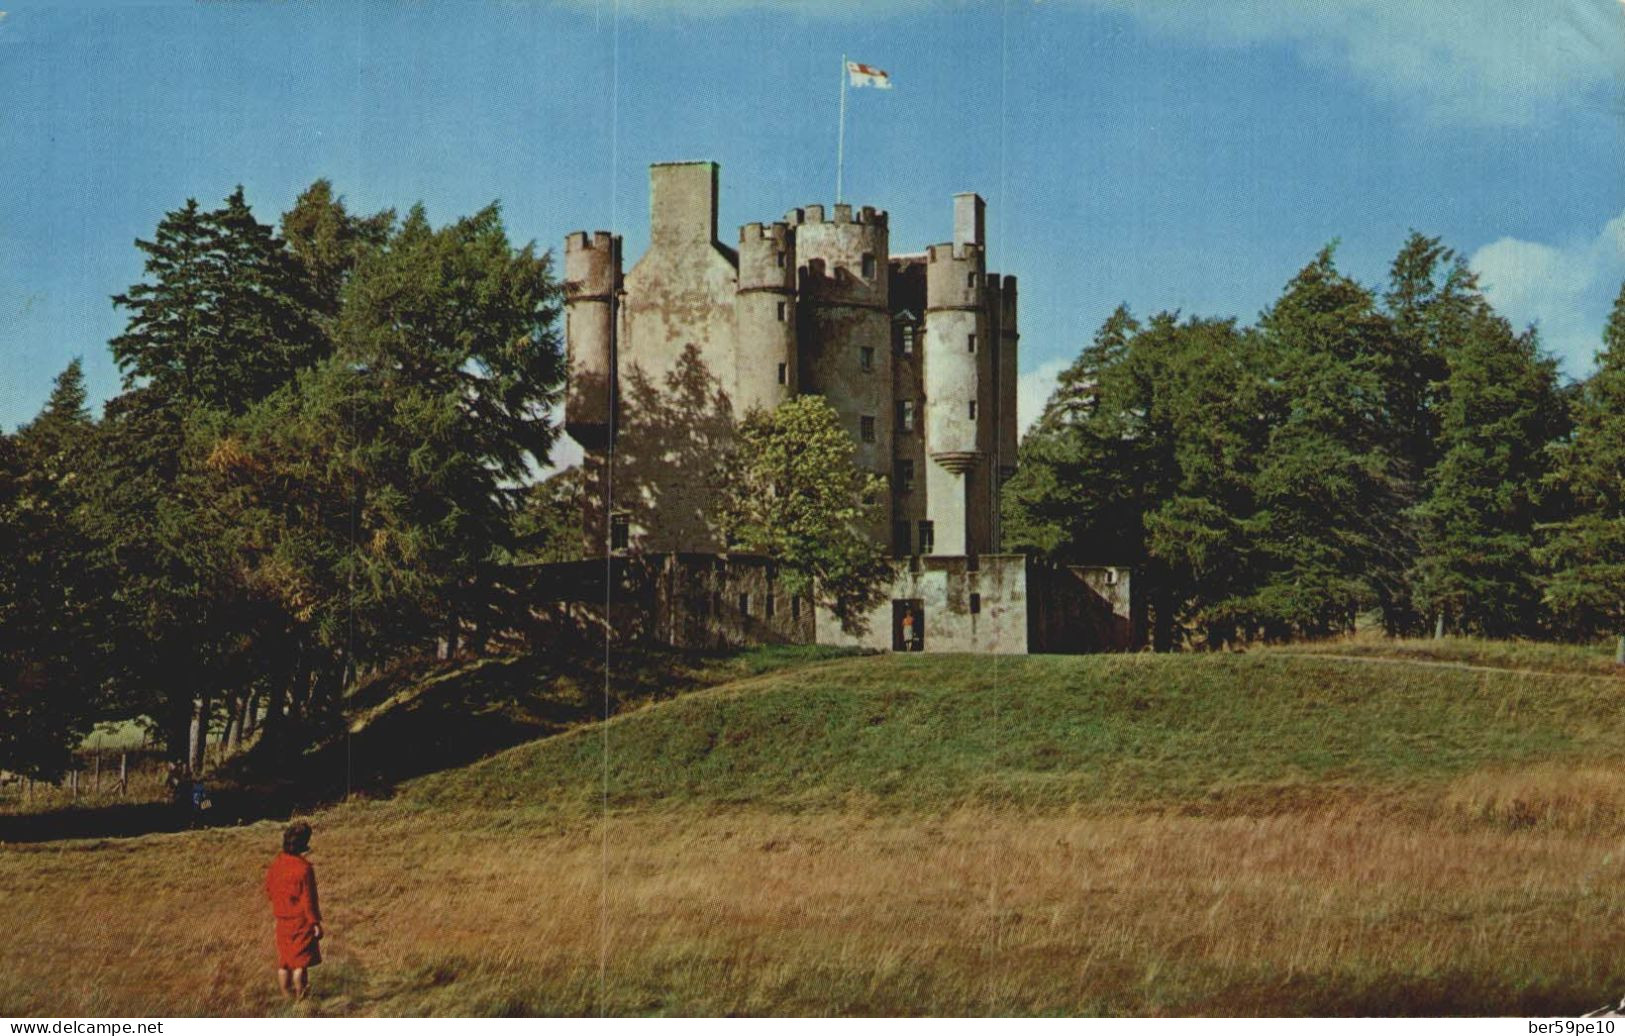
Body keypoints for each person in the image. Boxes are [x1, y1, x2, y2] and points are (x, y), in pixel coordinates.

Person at [265, 820, 323, 1001]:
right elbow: (308, 899)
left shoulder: (276, 864)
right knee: (300, 963)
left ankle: (286, 998)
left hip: (282, 919)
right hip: (301, 921)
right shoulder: (304, 868)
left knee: (285, 961)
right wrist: (315, 923)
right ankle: (301, 1000)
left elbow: (269, 888)